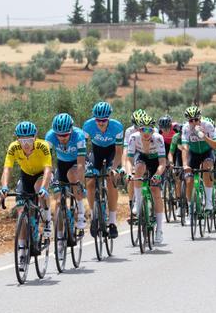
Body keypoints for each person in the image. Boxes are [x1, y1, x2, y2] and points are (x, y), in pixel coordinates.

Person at [0, 122, 54, 259]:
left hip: (42, 175)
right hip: (26, 176)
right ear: (18, 139)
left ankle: (47, 218)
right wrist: (4, 186)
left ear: (35, 137)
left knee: (38, 189)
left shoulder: (43, 146)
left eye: (29, 139)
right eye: (22, 140)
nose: (26, 144)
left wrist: (44, 188)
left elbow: (48, 168)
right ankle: (22, 249)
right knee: (21, 210)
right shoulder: (13, 147)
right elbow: (7, 169)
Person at [82, 102, 124, 238]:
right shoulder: (88, 126)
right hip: (96, 153)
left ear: (108, 118)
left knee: (111, 179)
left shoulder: (117, 127)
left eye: (104, 120)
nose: (100, 123)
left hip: (112, 153)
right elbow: (82, 149)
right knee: (89, 182)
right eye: (98, 120)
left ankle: (112, 222)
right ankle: (94, 216)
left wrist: (113, 168)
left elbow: (119, 152)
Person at [125, 114, 168, 244]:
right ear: (139, 130)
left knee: (155, 191)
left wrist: (157, 175)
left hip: (156, 162)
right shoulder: (133, 138)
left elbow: (162, 163)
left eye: (149, 130)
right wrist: (128, 173)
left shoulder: (158, 139)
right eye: (143, 129)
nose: (146, 133)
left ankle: (159, 230)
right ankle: (138, 204)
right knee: (138, 170)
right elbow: (129, 159)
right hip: (143, 158)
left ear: (153, 130)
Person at [44, 113, 87, 233]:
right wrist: (50, 174)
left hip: (77, 163)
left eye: (65, 135)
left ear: (71, 130)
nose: (62, 138)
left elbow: (81, 164)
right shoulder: (50, 136)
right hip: (61, 164)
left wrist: (80, 182)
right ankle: (60, 237)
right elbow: (47, 160)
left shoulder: (79, 136)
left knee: (73, 177)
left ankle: (81, 214)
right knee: (58, 201)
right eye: (59, 135)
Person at [180, 106, 216, 213]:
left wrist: (205, 137)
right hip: (193, 154)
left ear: (200, 118)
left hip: (207, 152)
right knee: (189, 181)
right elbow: (185, 148)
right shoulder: (185, 128)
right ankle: (190, 209)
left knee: (206, 169)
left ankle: (208, 202)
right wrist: (185, 165)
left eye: (196, 120)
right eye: (191, 120)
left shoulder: (207, 125)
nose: (194, 122)